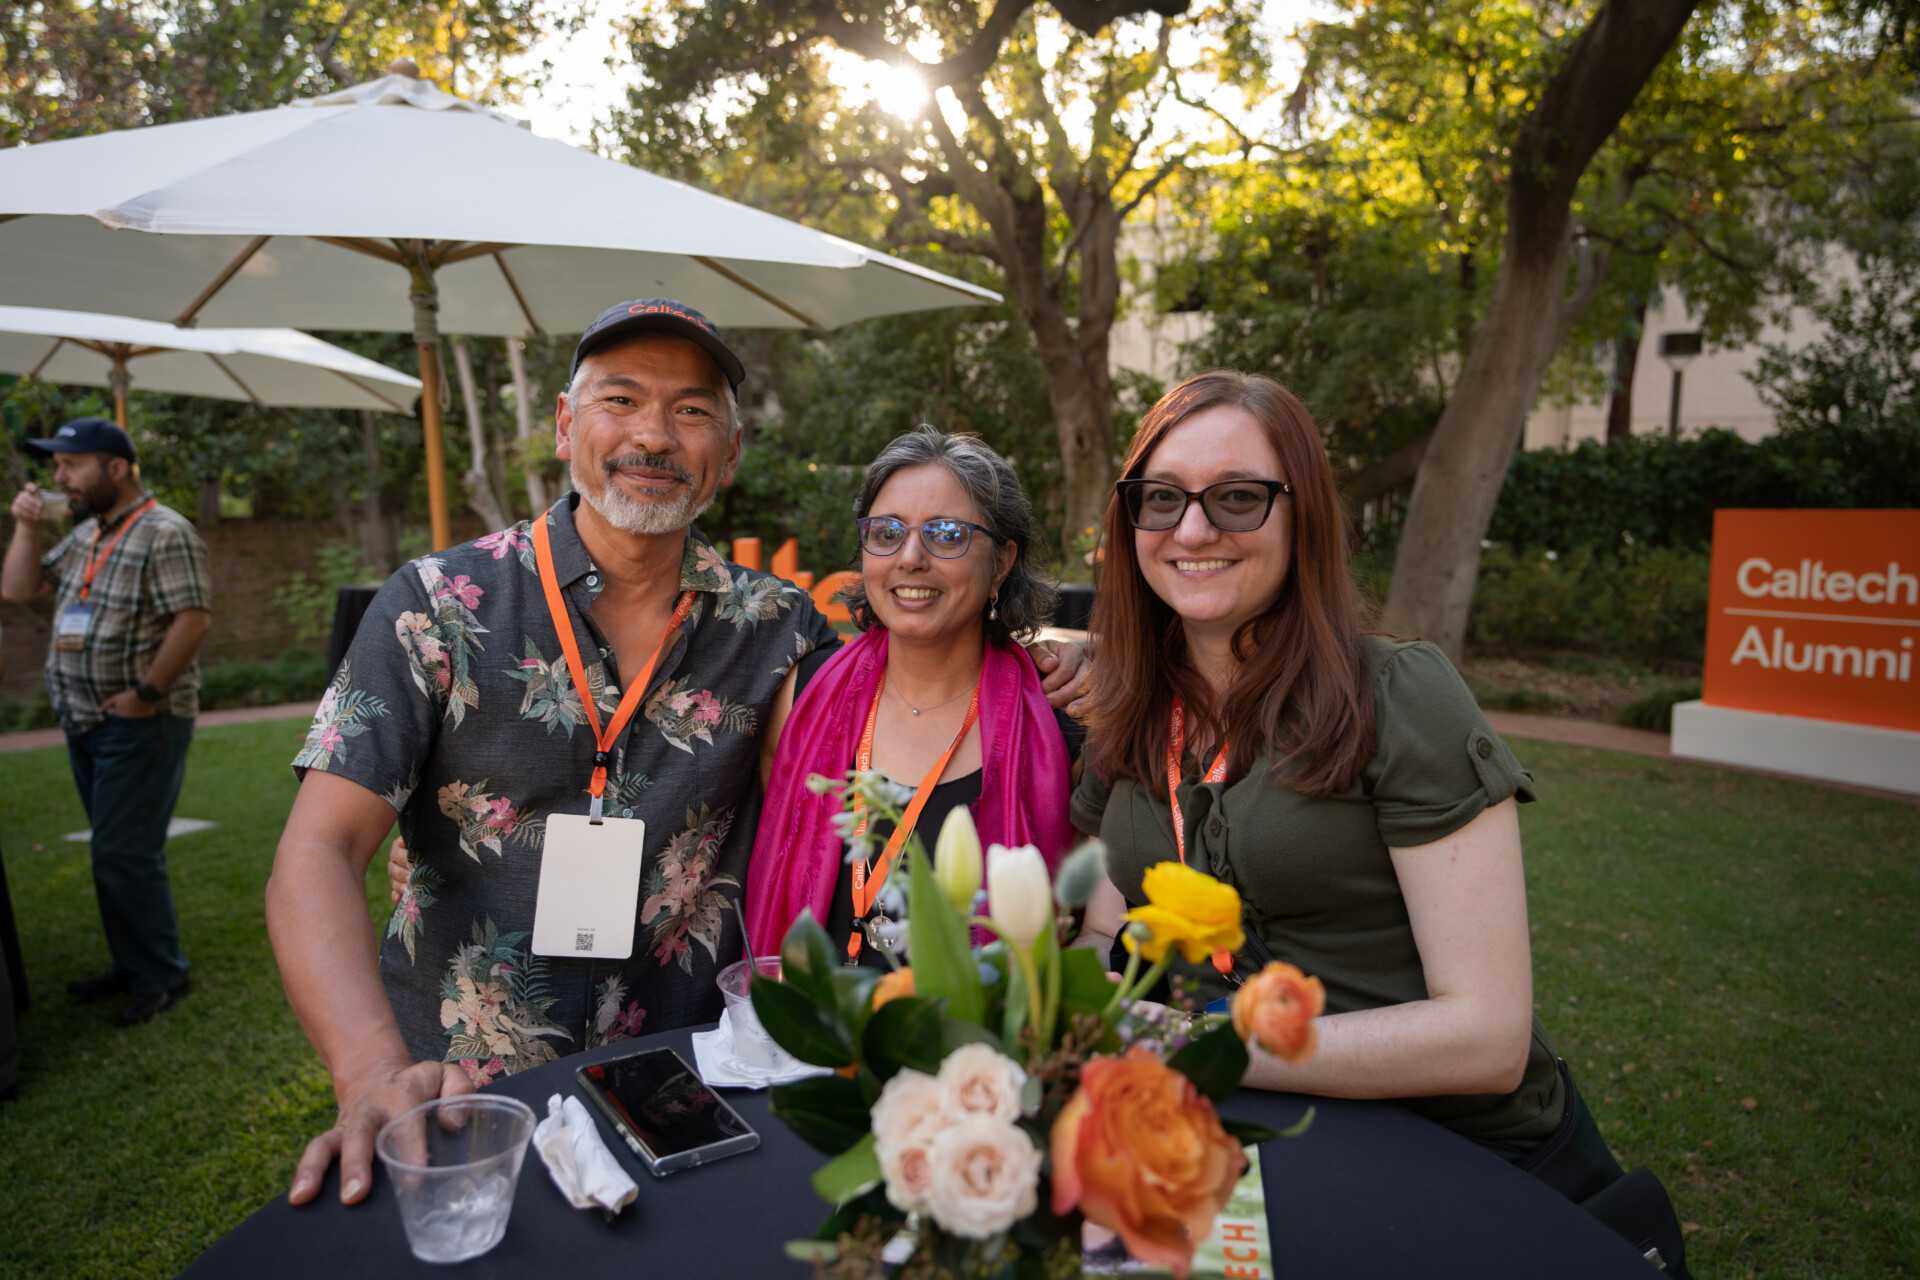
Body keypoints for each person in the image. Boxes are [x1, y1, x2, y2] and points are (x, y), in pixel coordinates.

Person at [268, 299, 1085, 1208]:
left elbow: (918, 667)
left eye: (692, 411)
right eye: (620, 400)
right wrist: (372, 1070)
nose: (653, 436)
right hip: (463, 1096)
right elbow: (318, 849)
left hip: (689, 1089)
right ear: (566, 426)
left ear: (728, 455)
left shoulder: (778, 631)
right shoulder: (436, 604)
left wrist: (1077, 656)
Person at [1072, 371, 1624, 1195]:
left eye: (1237, 498)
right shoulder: (1126, 705)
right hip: (1260, 1143)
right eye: (1161, 498)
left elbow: (1488, 1039)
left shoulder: (1400, 694)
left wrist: (1195, 1045)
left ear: (1304, 515)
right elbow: (1101, 935)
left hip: (1461, 1160)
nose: (1191, 528)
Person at [2, 417, 212, 1028]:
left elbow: (192, 620)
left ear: (116, 468)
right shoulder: (89, 532)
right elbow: (19, 589)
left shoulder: (165, 531)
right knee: (114, 851)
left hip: (141, 722)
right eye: (56, 467)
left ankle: (161, 975)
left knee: (123, 852)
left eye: (72, 464)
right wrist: (24, 526)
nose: (59, 477)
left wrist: (146, 693)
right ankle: (135, 961)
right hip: (85, 720)